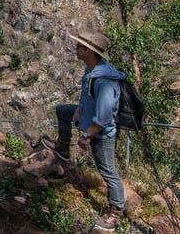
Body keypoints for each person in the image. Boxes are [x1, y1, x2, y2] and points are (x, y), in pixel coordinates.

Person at [41, 30, 126, 232]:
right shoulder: (91, 71)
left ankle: (115, 214)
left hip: (100, 133)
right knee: (62, 111)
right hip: (88, 118)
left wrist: (88, 135)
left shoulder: (104, 80)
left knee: (108, 171)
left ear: (89, 51)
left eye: (79, 46)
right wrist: (79, 110)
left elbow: (104, 117)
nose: (76, 49)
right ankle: (63, 146)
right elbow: (87, 97)